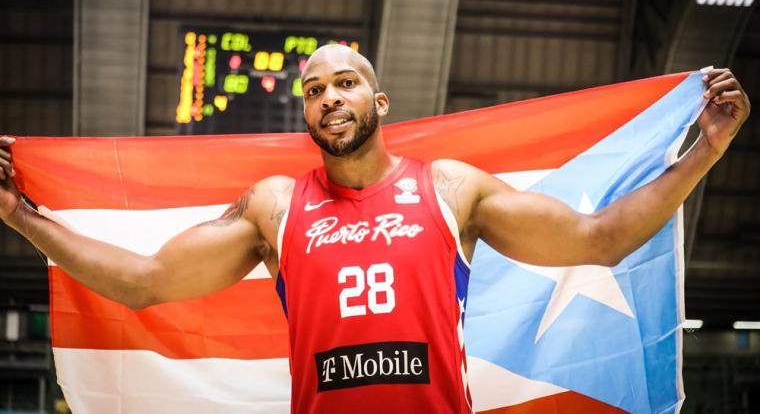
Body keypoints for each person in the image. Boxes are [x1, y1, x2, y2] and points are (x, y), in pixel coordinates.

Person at [0, 45, 750, 413]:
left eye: (345, 82)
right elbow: (145, 281)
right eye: (314, 90)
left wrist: (705, 150)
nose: (329, 97)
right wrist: (18, 216)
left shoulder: (451, 189)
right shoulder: (276, 206)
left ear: (380, 100)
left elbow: (599, 238)